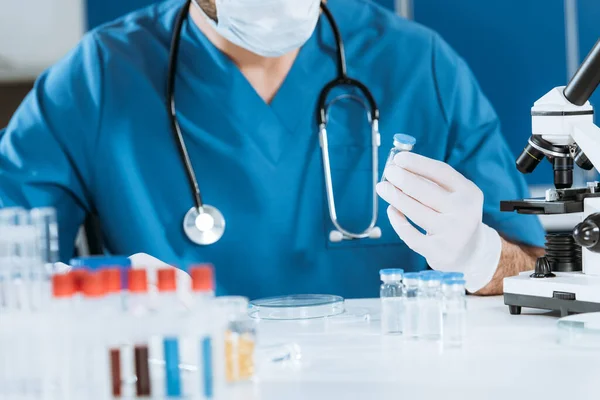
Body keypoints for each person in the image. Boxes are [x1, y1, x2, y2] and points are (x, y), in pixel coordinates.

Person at [0, 0, 544, 299]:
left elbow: (534, 271)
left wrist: (480, 255)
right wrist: (108, 287)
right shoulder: (99, 77)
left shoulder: (418, 64)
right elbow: (10, 259)